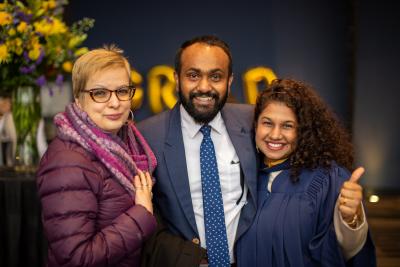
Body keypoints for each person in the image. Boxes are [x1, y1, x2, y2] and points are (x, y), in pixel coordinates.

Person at [138, 36, 369, 267]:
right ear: (177, 79)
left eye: (216, 76)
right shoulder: (148, 136)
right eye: (193, 75)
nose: (204, 87)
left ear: (229, 81)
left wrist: (349, 214)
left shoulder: (252, 121)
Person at [36, 45, 157, 267]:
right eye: (99, 93)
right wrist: (140, 215)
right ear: (79, 99)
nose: (115, 102)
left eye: (122, 90)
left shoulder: (126, 142)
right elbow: (76, 259)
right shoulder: (68, 162)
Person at [236, 78, 376, 266]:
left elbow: (347, 251)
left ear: (303, 130)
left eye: (288, 125)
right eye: (267, 123)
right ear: (256, 125)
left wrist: (351, 219)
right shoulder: (242, 174)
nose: (275, 135)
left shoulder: (328, 179)